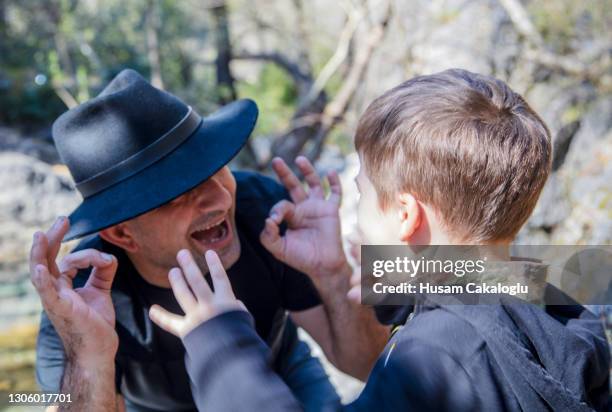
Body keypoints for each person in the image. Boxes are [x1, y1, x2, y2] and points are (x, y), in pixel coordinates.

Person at [150, 69, 610, 411]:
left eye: (362, 196)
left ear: (406, 214)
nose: (356, 217)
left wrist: (221, 343)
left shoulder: (436, 354)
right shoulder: (553, 297)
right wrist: (357, 273)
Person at [30, 69, 387, 411]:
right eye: (180, 193)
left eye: (216, 168)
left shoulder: (266, 211)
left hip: (279, 372)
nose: (220, 199)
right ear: (122, 233)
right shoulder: (80, 298)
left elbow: (369, 366)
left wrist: (334, 273)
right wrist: (89, 357)